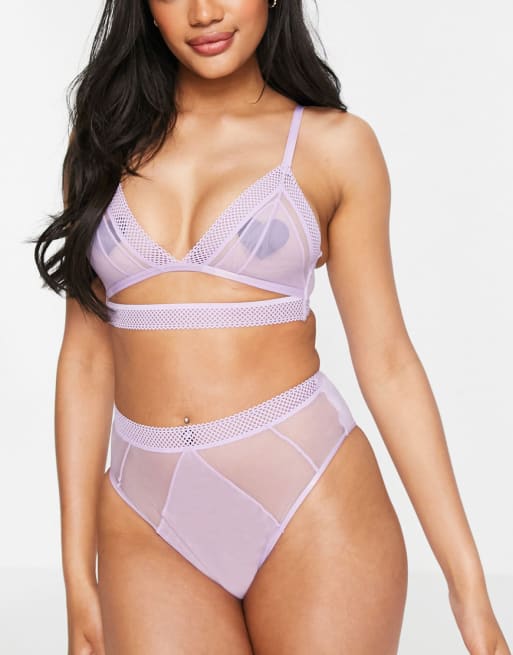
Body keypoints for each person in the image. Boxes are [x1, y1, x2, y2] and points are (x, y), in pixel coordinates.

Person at [32, 1, 510, 654]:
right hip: (146, 518)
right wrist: (75, 573)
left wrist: (466, 585)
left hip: (310, 500)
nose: (204, 13)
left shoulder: (334, 146)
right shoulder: (100, 146)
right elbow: (86, 360)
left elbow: (388, 361)